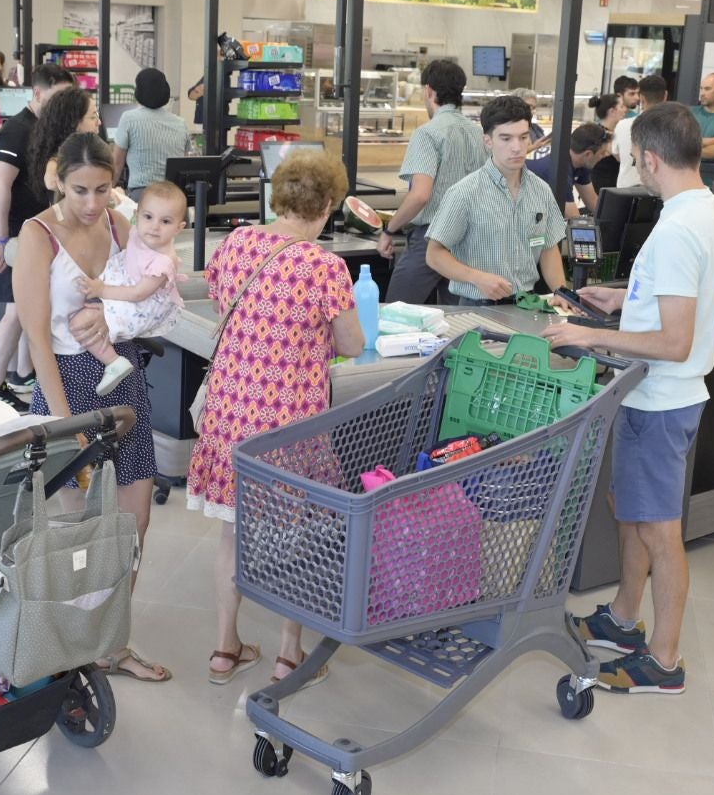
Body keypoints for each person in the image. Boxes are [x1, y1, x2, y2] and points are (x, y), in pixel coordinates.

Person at [546, 103, 714, 693]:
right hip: (652, 394)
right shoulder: (705, 211)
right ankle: (625, 618)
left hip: (662, 396)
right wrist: (624, 296)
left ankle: (664, 660)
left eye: (634, 160)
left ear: (650, 159)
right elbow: (677, 300)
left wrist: (588, 333)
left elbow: (674, 341)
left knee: (657, 528)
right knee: (629, 509)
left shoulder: (678, 228)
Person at [191, 149, 364, 686]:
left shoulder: (237, 243)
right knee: (299, 536)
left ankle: (225, 648)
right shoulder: (325, 267)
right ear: (329, 204)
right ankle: (290, 654)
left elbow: (225, 306)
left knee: (232, 534)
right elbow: (352, 344)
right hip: (291, 421)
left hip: (230, 411)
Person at [13, 132, 169, 683]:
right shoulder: (36, 236)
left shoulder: (118, 224)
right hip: (67, 384)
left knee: (134, 522)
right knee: (78, 530)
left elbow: (152, 292)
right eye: (81, 189)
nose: (91, 202)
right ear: (57, 176)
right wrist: (64, 424)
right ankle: (69, 648)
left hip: (121, 375)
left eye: (103, 189)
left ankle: (110, 643)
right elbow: (36, 339)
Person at [0, 63, 78, 409]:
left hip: (34, 231)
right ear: (38, 92)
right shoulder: (16, 130)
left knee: (32, 306)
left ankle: (22, 375)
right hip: (12, 232)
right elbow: (0, 185)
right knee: (16, 311)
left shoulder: (47, 129)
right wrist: (2, 238)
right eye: (59, 96)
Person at [426, 95, 569, 304]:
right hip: (478, 306)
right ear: (488, 141)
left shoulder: (541, 190)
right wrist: (477, 278)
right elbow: (434, 254)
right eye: (506, 138)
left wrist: (561, 292)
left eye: (523, 137)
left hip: (526, 304)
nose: (517, 147)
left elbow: (548, 248)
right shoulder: (464, 193)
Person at [379, 60, 482, 305]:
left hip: (429, 240)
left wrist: (389, 230)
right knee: (455, 324)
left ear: (429, 91)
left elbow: (420, 195)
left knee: (396, 316)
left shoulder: (428, 133)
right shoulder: (479, 134)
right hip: (468, 242)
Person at [78, 180, 187, 395]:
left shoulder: (162, 263)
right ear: (138, 215)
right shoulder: (138, 230)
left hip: (138, 307)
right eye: (148, 217)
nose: (154, 226)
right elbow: (123, 206)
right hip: (124, 288)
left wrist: (101, 291)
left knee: (80, 323)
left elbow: (138, 294)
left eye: (165, 221)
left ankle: (113, 362)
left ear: (179, 227)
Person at [114, 67, 187, 199]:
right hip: (173, 196)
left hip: (140, 195)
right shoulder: (181, 123)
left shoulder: (129, 119)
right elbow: (186, 161)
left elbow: (117, 163)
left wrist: (109, 190)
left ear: (138, 92)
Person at [690, 72, 714, 159]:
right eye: (701, 89)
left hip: (713, 171)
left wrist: (688, 150)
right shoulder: (689, 113)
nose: (702, 93)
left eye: (707, 89)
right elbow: (679, 143)